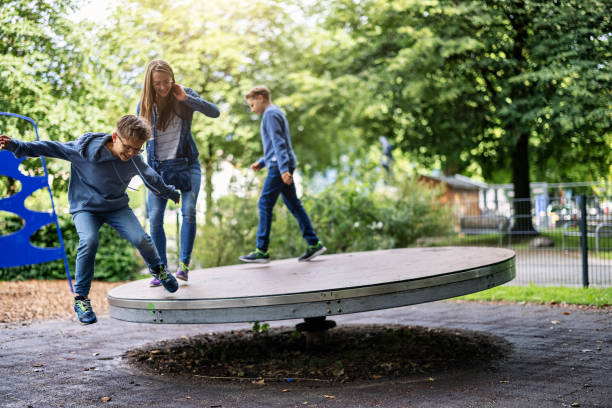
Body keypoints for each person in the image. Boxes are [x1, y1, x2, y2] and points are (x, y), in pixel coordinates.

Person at [0, 115, 180, 325]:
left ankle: (159, 270)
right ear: (115, 137)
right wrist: (16, 146)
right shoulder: (83, 150)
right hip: (85, 208)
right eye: (128, 148)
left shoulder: (135, 160)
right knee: (89, 240)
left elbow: (152, 178)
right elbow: (50, 147)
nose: (131, 154)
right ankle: (81, 299)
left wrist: (171, 193)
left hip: (116, 207)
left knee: (141, 238)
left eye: (137, 149)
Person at [137, 59, 220, 287]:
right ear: (149, 83)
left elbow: (215, 112)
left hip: (186, 165)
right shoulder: (143, 105)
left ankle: (183, 267)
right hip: (158, 169)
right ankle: (161, 271)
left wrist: (188, 99)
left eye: (167, 82)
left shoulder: (184, 95)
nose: (163, 87)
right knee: (154, 219)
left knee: (189, 211)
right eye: (157, 84)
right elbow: (140, 142)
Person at [239, 85, 326, 263]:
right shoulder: (275, 112)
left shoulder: (270, 115)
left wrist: (284, 169)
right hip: (279, 163)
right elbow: (278, 145)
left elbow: (279, 145)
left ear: (261, 98)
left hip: (279, 166)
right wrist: (262, 162)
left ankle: (261, 250)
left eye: (252, 105)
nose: (252, 109)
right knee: (294, 204)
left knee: (264, 203)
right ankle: (314, 243)